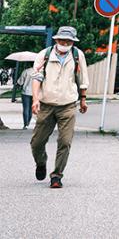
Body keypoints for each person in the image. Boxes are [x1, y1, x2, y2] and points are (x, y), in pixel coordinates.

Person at [30, 26, 89, 189]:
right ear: (56, 40)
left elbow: (82, 79)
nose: (64, 43)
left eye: (68, 41)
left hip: (68, 105)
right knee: (37, 142)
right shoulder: (45, 55)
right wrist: (36, 99)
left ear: (73, 42)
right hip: (46, 105)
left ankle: (56, 175)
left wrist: (83, 99)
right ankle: (41, 163)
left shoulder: (77, 56)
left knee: (65, 141)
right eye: (62, 40)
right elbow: (36, 78)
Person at [19, 64, 36, 128]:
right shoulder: (38, 72)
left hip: (25, 92)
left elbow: (20, 82)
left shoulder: (26, 71)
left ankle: (25, 124)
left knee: (26, 108)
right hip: (34, 93)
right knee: (31, 109)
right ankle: (28, 121)